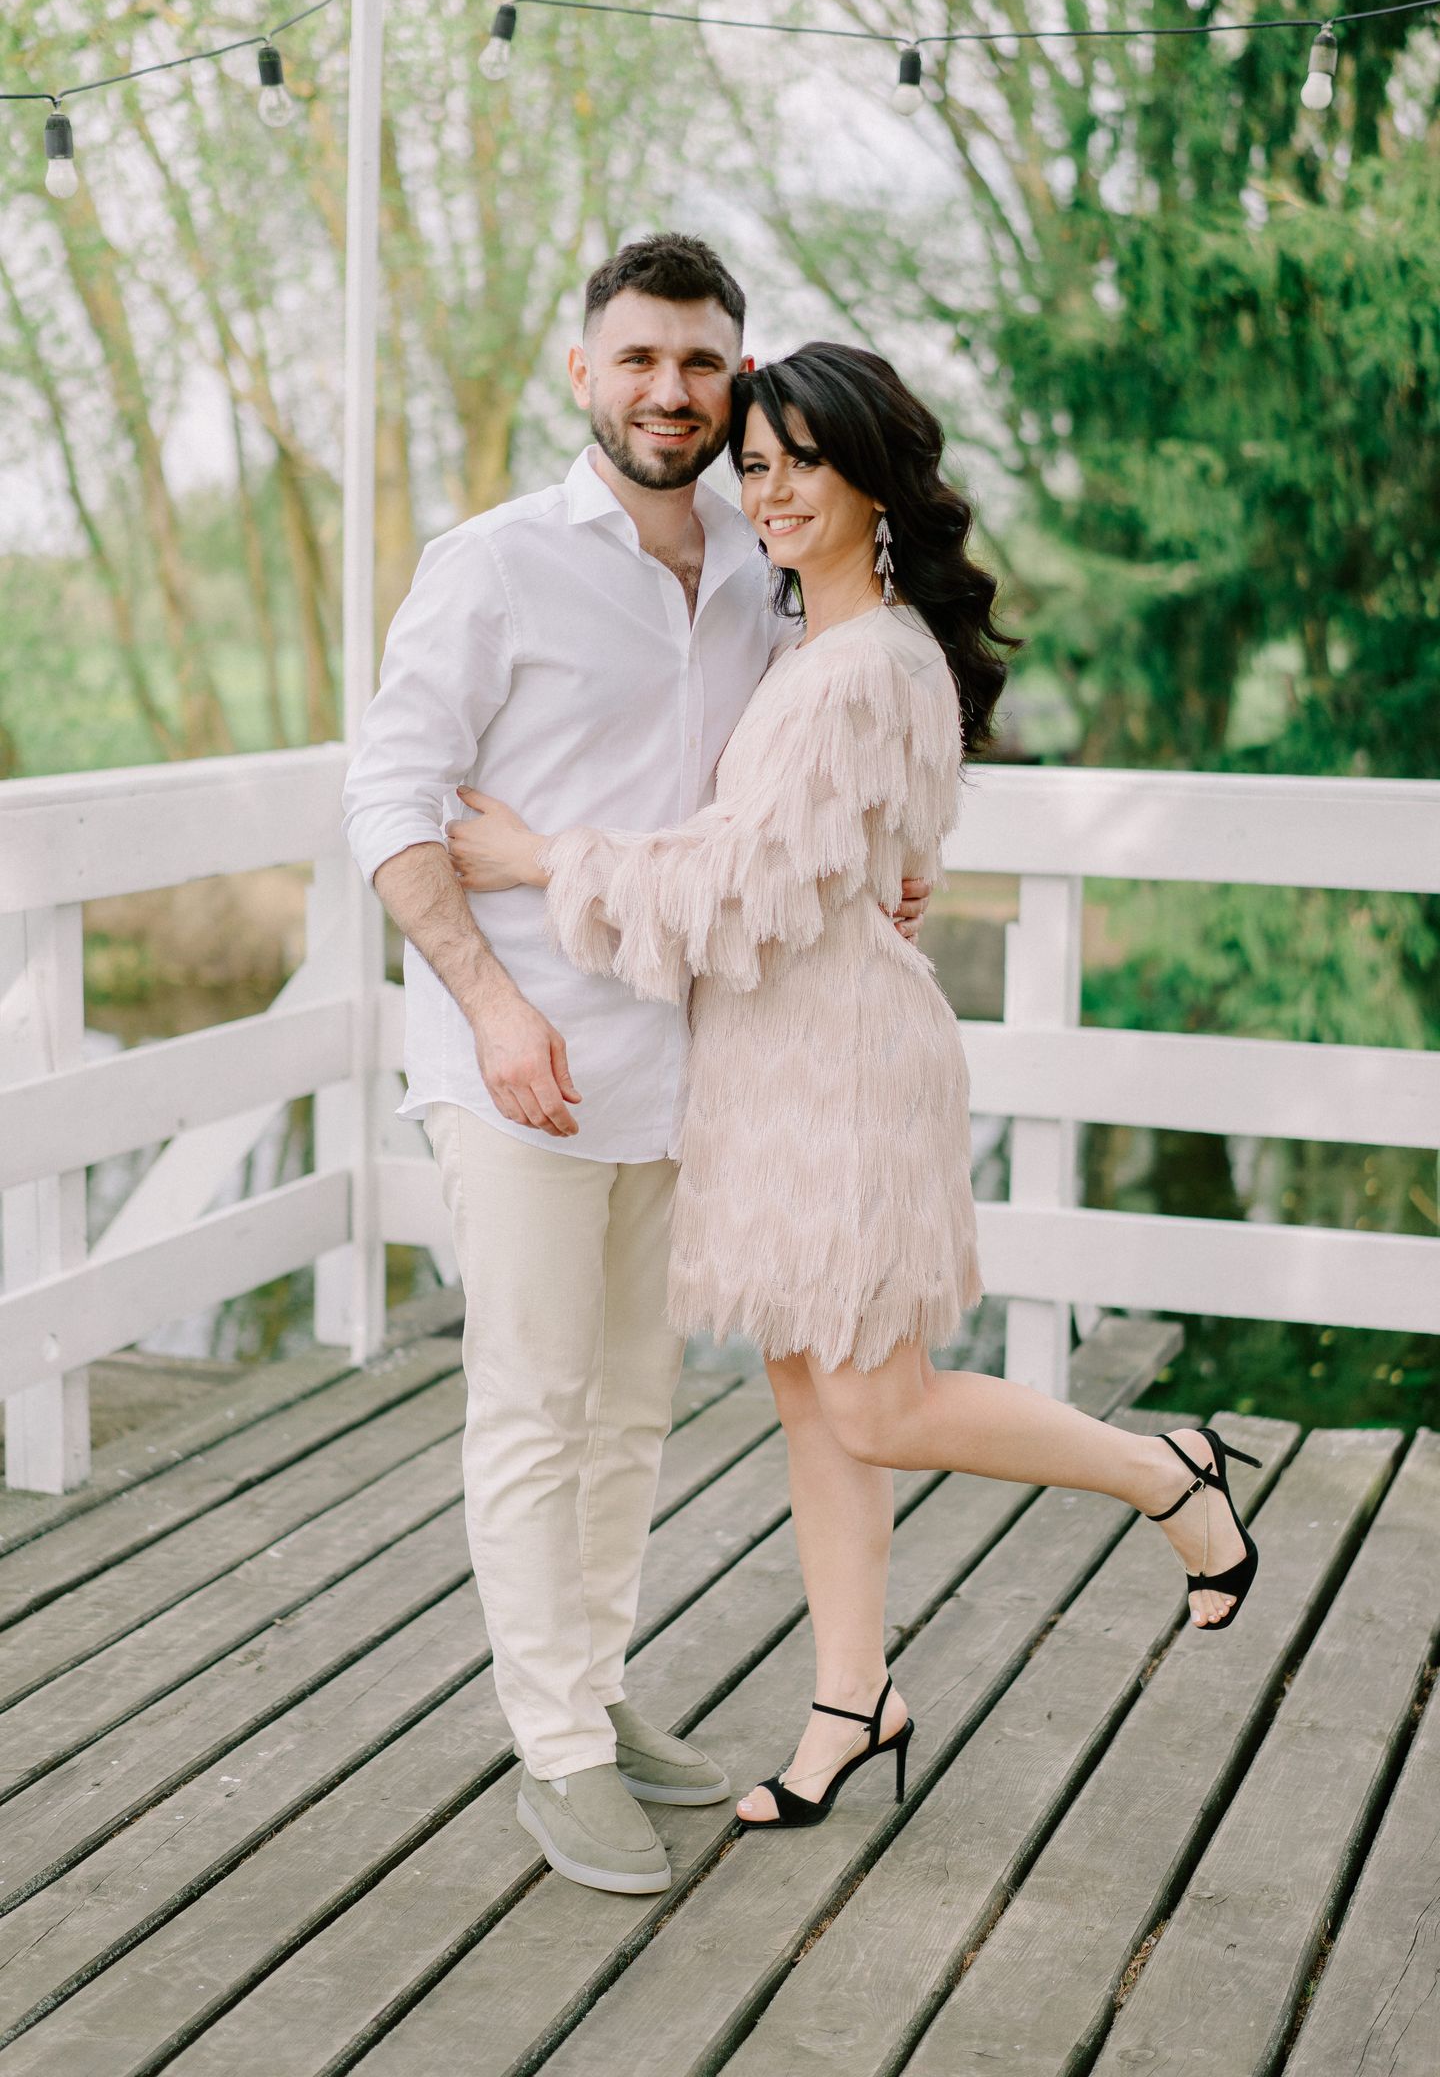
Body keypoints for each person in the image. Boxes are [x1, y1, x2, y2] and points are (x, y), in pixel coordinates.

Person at [443, 338, 1264, 1833]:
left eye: (803, 463)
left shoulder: (866, 662)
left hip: (844, 1072)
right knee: (814, 1408)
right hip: (764, 1073)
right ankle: (849, 1703)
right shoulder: (810, 650)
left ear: (873, 478)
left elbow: (740, 886)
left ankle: (1169, 1470)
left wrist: (538, 857)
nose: (770, 492)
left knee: (879, 1406)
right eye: (754, 464)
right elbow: (814, 845)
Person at [341, 237, 932, 1897]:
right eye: (638, 359)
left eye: (700, 362)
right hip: (518, 1059)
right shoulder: (495, 565)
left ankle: (594, 1691)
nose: (670, 390)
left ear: (736, 376)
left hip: (691, 1062)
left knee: (631, 1413)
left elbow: (813, 772)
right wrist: (489, 1003)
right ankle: (557, 1749)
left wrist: (895, 860)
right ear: (582, 373)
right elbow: (391, 800)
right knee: (535, 1407)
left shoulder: (765, 560)